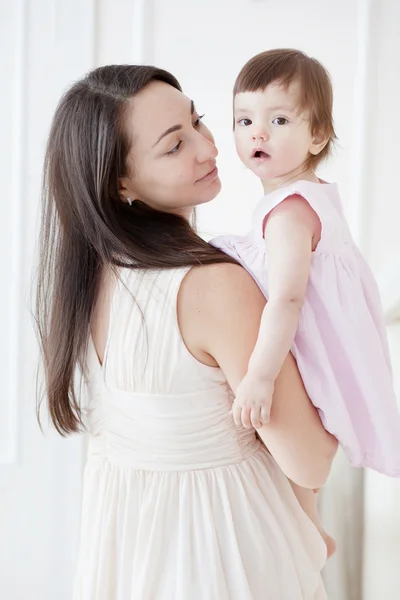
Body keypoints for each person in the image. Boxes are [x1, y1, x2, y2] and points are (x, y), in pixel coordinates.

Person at [35, 64, 337, 599]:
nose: (210, 148)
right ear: (119, 181)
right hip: (224, 554)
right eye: (175, 145)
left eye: (198, 121)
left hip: (133, 553)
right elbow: (309, 458)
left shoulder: (88, 279)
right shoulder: (214, 287)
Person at [212, 48, 400, 556]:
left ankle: (307, 527)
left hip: (306, 337)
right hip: (327, 334)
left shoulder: (290, 212)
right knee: (307, 435)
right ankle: (310, 524)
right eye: (244, 119)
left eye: (278, 119)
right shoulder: (304, 195)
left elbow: (289, 297)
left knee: (301, 432)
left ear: (317, 136)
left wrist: (260, 375)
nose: (258, 133)